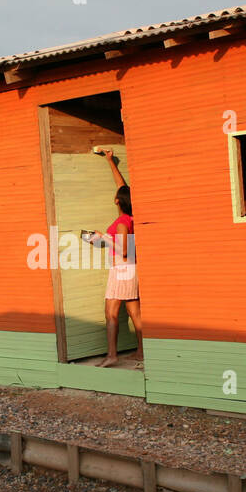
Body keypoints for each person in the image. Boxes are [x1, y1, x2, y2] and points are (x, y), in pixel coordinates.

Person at [83, 149, 143, 368]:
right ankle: (141, 352)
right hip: (132, 268)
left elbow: (124, 250)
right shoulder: (132, 217)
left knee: (110, 313)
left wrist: (104, 238)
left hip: (122, 268)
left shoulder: (122, 223)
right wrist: (110, 161)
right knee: (134, 312)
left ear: (117, 201)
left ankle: (112, 355)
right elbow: (122, 186)